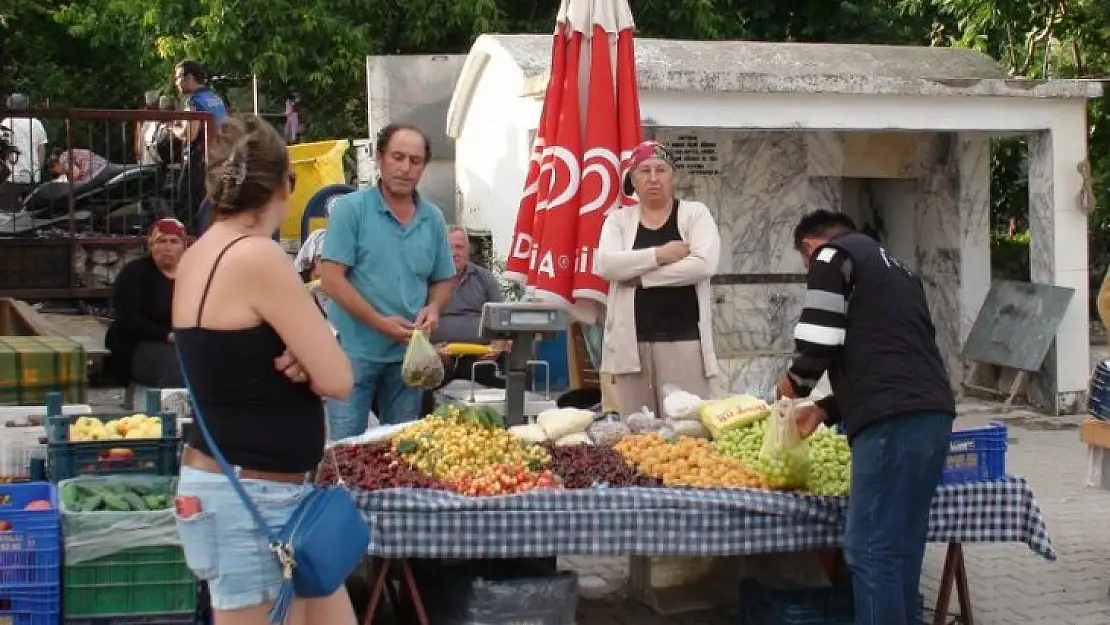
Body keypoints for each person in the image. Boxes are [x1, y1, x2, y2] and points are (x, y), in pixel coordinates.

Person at [171, 114, 355, 625]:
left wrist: (301, 352)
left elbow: (234, 357)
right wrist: (311, 352)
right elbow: (339, 377)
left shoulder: (198, 254)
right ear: (282, 186)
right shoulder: (258, 257)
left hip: (256, 492)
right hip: (252, 498)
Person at [776, 210, 955, 625]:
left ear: (809, 247)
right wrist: (824, 409)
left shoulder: (830, 257)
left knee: (871, 551)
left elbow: (820, 338)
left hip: (891, 424)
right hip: (932, 416)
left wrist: (793, 384)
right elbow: (891, 355)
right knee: (902, 548)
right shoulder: (899, 271)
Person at [319, 122, 455, 435]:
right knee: (347, 451)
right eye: (398, 157)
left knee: (400, 450)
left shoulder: (432, 218)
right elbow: (331, 279)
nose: (405, 168)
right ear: (380, 159)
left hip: (408, 358)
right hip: (353, 353)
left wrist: (434, 308)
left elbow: (444, 279)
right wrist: (379, 322)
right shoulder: (351, 210)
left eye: (415, 161)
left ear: (423, 167)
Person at [595, 140, 721, 418]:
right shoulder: (619, 220)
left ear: (673, 177)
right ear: (633, 180)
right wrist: (660, 254)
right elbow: (606, 264)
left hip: (685, 341)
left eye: (661, 170)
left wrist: (643, 279)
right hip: (631, 345)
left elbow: (703, 264)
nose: (653, 178)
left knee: (688, 428)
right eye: (644, 171)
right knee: (637, 430)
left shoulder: (694, 214)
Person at [105, 218, 189, 388]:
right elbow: (128, 318)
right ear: (151, 245)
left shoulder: (192, 273)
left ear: (184, 246)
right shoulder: (135, 273)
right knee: (177, 370)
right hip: (137, 342)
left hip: (182, 341)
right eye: (161, 241)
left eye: (174, 241)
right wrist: (167, 335)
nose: (167, 247)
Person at [431, 226, 509, 384]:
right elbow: (415, 319)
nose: (454, 253)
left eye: (459, 247)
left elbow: (501, 315)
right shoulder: (428, 278)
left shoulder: (484, 277)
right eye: (449, 248)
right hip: (438, 355)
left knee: (510, 364)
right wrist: (430, 351)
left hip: (480, 354)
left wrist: (498, 346)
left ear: (468, 250)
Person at [173, 60, 227, 224]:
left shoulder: (194, 101)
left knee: (186, 207)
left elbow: (190, 134)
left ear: (189, 77)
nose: (176, 82)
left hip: (198, 161)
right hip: (218, 157)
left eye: (178, 78)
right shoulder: (215, 98)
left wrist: (173, 129)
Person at [0, 93, 47, 185]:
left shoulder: (5, 123)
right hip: (33, 176)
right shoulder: (36, 123)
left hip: (11, 176)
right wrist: (38, 170)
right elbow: (41, 150)